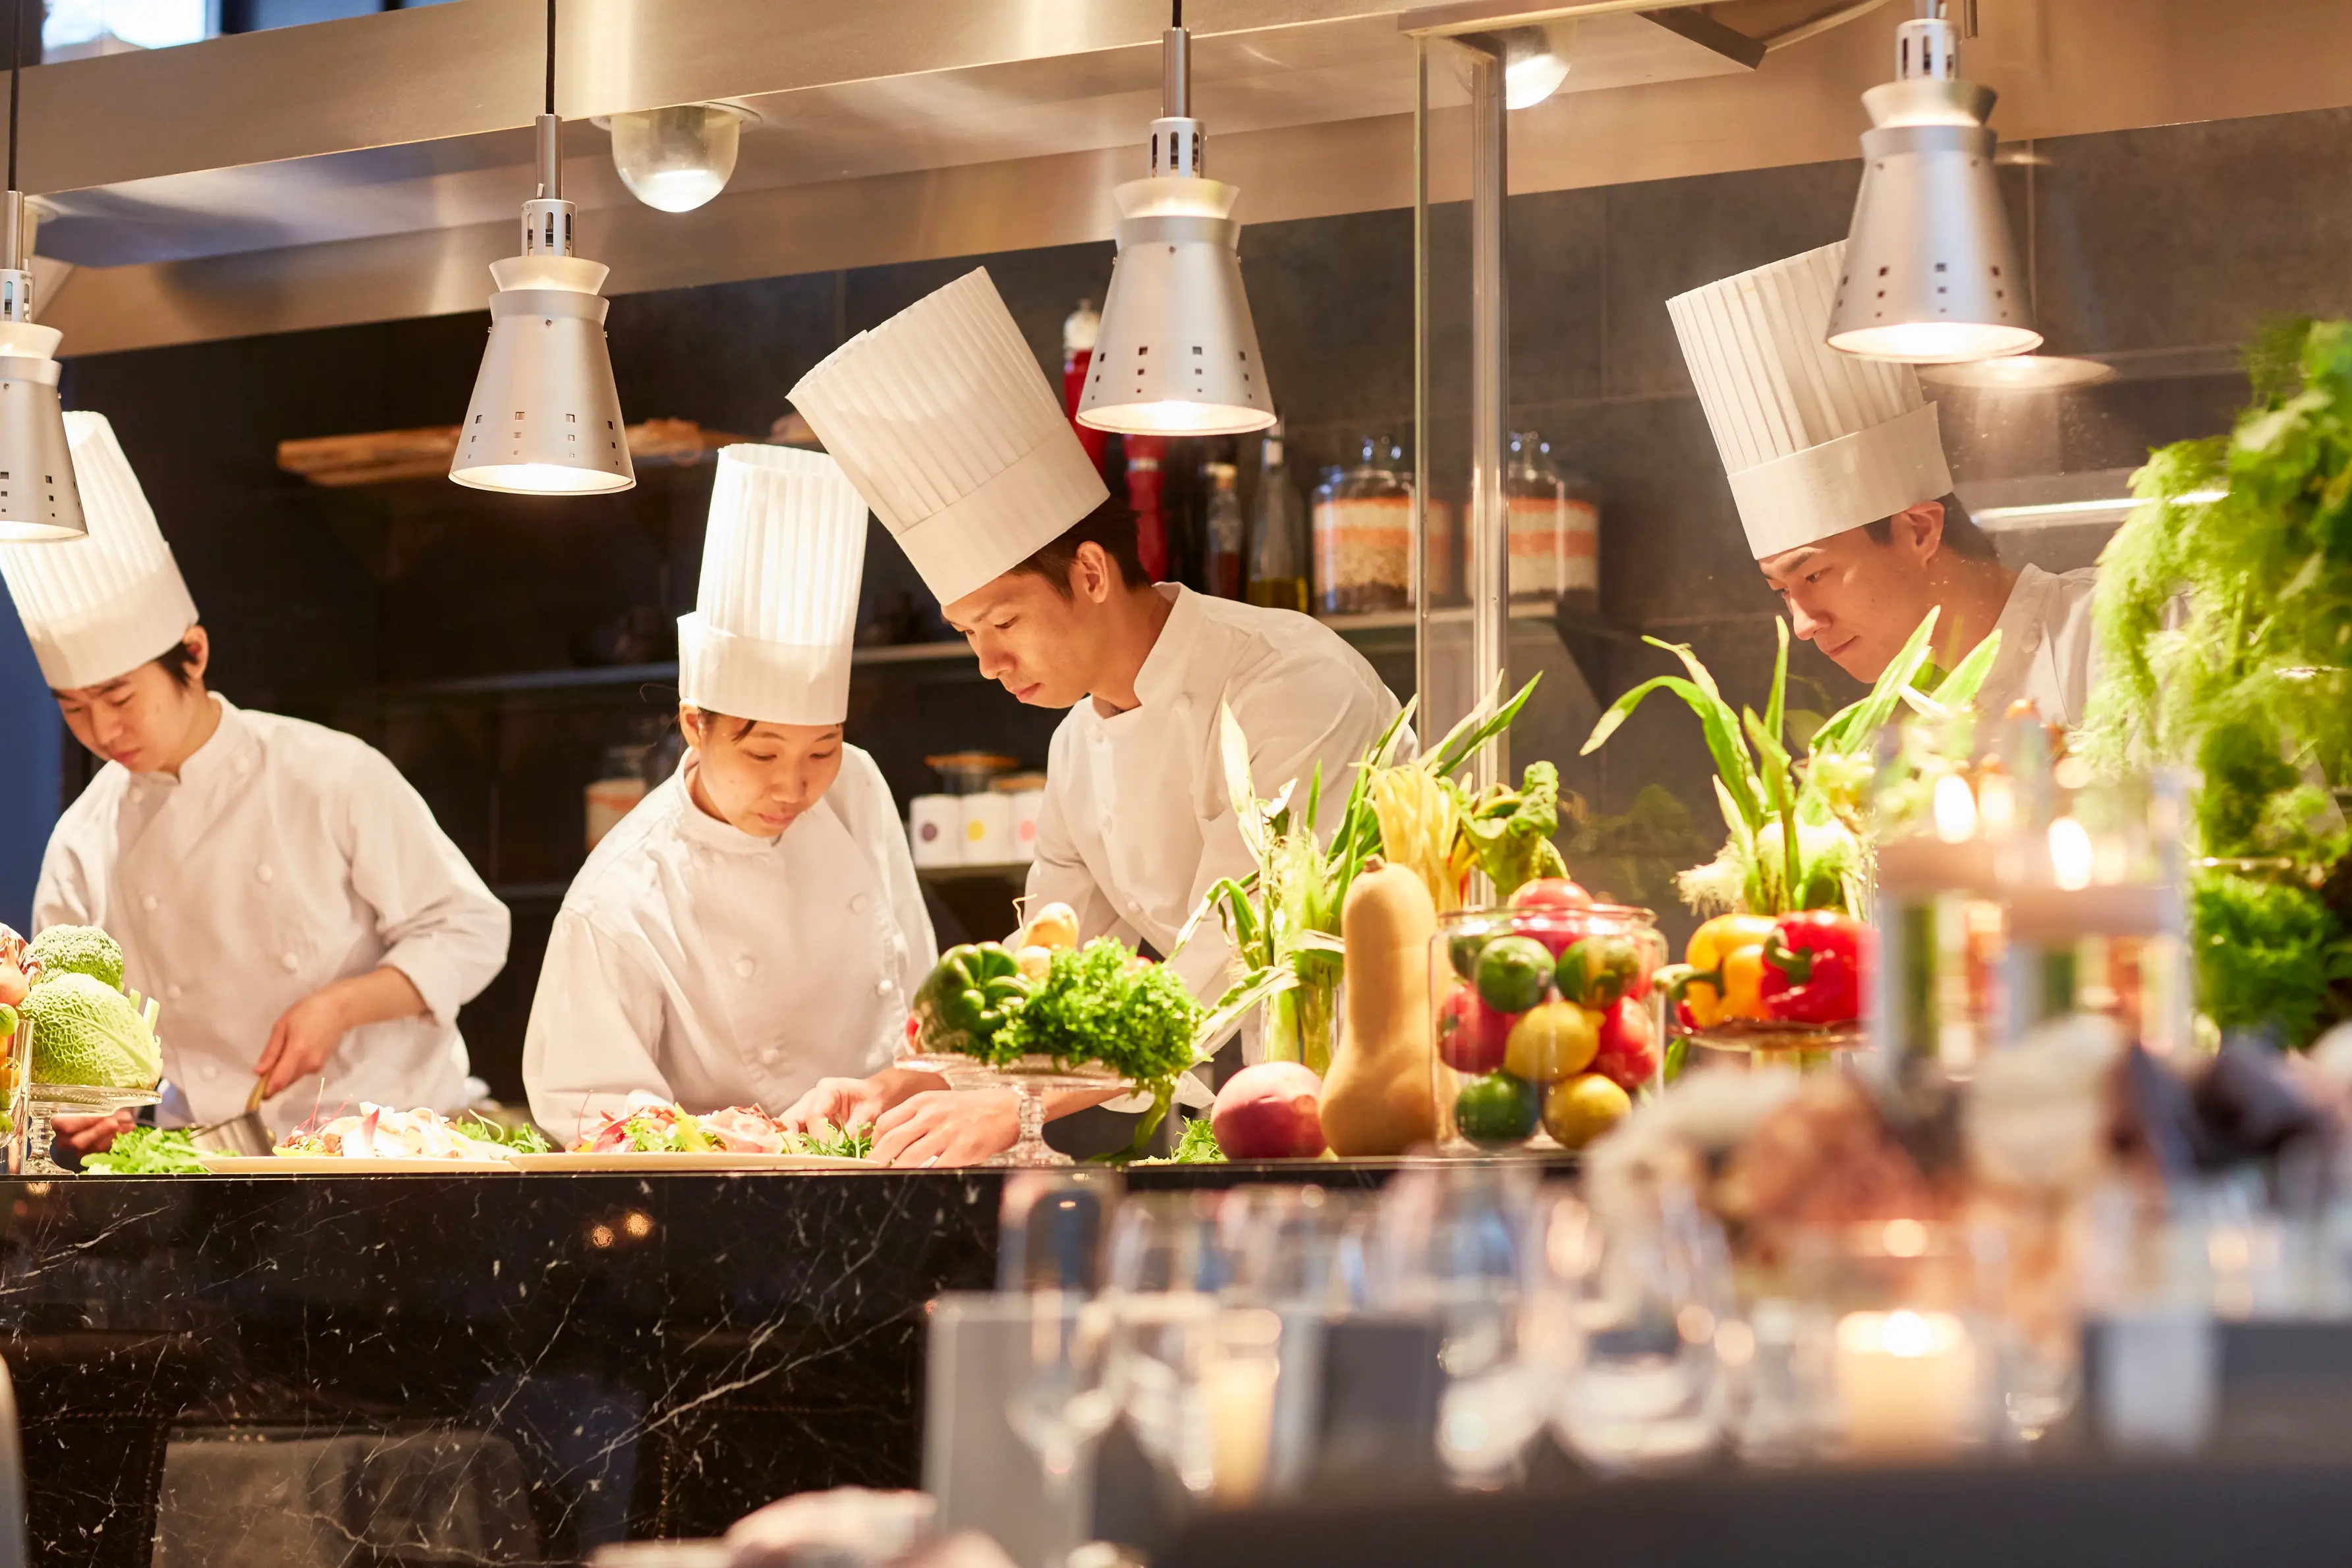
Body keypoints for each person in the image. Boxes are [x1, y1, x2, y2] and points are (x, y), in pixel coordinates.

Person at [789, 267, 1401, 1165]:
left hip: (1384, 1110)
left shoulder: (1285, 682)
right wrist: (911, 1081)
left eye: (1001, 622)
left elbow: (1237, 949)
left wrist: (1016, 1113)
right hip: (1245, 1125)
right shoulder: (1077, 746)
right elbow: (1053, 977)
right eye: (967, 634)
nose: (989, 663)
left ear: (1089, 572)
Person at [0, 412, 509, 1150]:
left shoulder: (330, 773)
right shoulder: (83, 843)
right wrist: (95, 1106)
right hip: (209, 1161)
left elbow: (470, 929)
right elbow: (68, 1031)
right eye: (75, 710)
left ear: (194, 655)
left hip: (391, 1145)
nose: (103, 732)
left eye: (119, 698)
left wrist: (341, 1004)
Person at [522, 445, 941, 1146]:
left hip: (903, 1152)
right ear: (695, 724)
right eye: (762, 752)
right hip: (745, 1199)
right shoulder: (622, 897)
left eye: (822, 748)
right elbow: (590, 1107)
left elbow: (920, 993)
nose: (796, 785)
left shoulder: (857, 784)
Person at [1667, 240, 2097, 724]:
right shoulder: (1932, 729)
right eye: (1783, 592)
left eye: (1813, 575)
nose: (1804, 624)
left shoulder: (2114, 634)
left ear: (1918, 530)